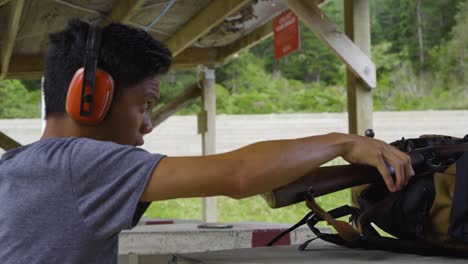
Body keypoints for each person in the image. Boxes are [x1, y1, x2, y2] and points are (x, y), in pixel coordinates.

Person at [0, 19, 413, 263]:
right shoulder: (82, 163)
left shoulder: (17, 166)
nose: (146, 126)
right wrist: (344, 143)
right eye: (145, 105)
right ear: (92, 97)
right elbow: (237, 174)